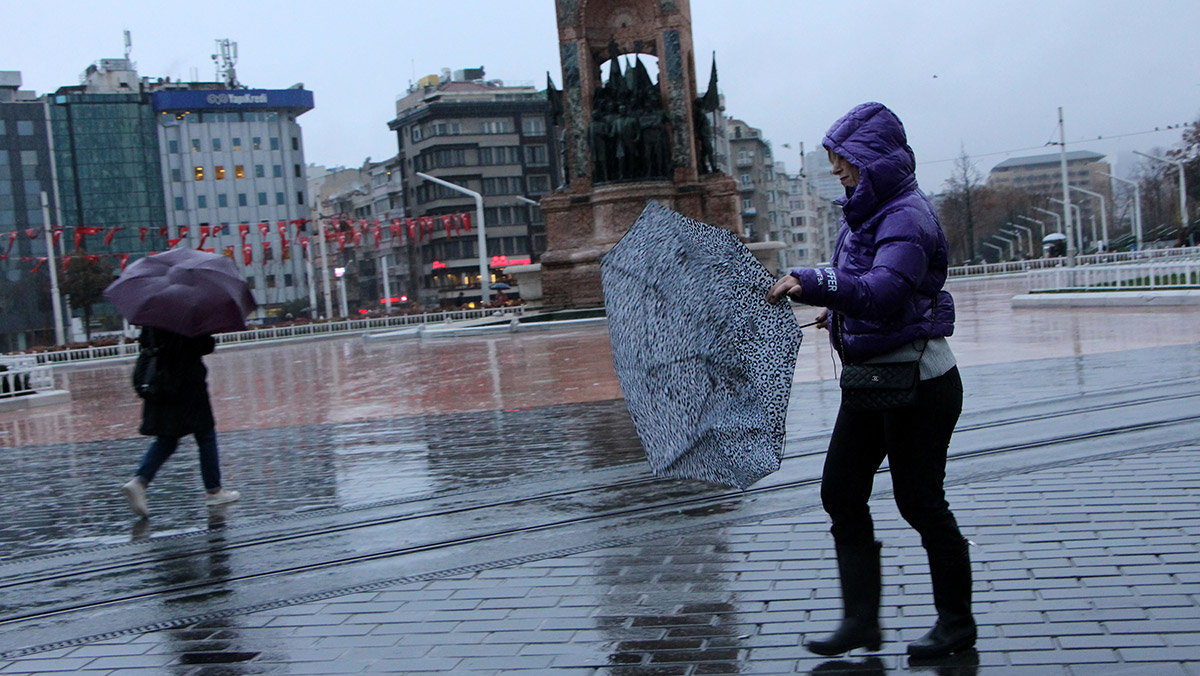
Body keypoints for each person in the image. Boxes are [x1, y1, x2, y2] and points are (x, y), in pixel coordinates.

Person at [767, 102, 974, 659]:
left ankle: (956, 624)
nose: (837, 170)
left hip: (920, 383)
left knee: (920, 501)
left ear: (873, 159)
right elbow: (866, 289)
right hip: (873, 379)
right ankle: (862, 622)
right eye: (833, 160)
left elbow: (885, 293)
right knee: (840, 490)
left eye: (844, 161)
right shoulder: (865, 214)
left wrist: (811, 282)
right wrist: (833, 313)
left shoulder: (907, 215)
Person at [121, 327, 239, 518]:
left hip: (161, 385)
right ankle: (214, 491)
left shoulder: (154, 320)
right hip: (188, 386)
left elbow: (146, 344)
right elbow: (204, 345)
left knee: (167, 438)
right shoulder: (186, 318)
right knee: (205, 435)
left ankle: (139, 481)